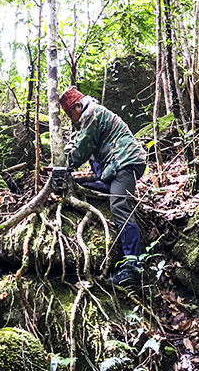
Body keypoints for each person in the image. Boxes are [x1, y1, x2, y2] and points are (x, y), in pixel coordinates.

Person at [60, 86, 147, 287]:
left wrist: (65, 165)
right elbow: (78, 142)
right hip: (114, 165)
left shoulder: (92, 114)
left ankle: (134, 266)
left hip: (126, 162)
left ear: (78, 106)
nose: (71, 118)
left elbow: (83, 148)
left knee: (119, 206)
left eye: (70, 113)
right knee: (100, 188)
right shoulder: (87, 117)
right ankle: (103, 184)